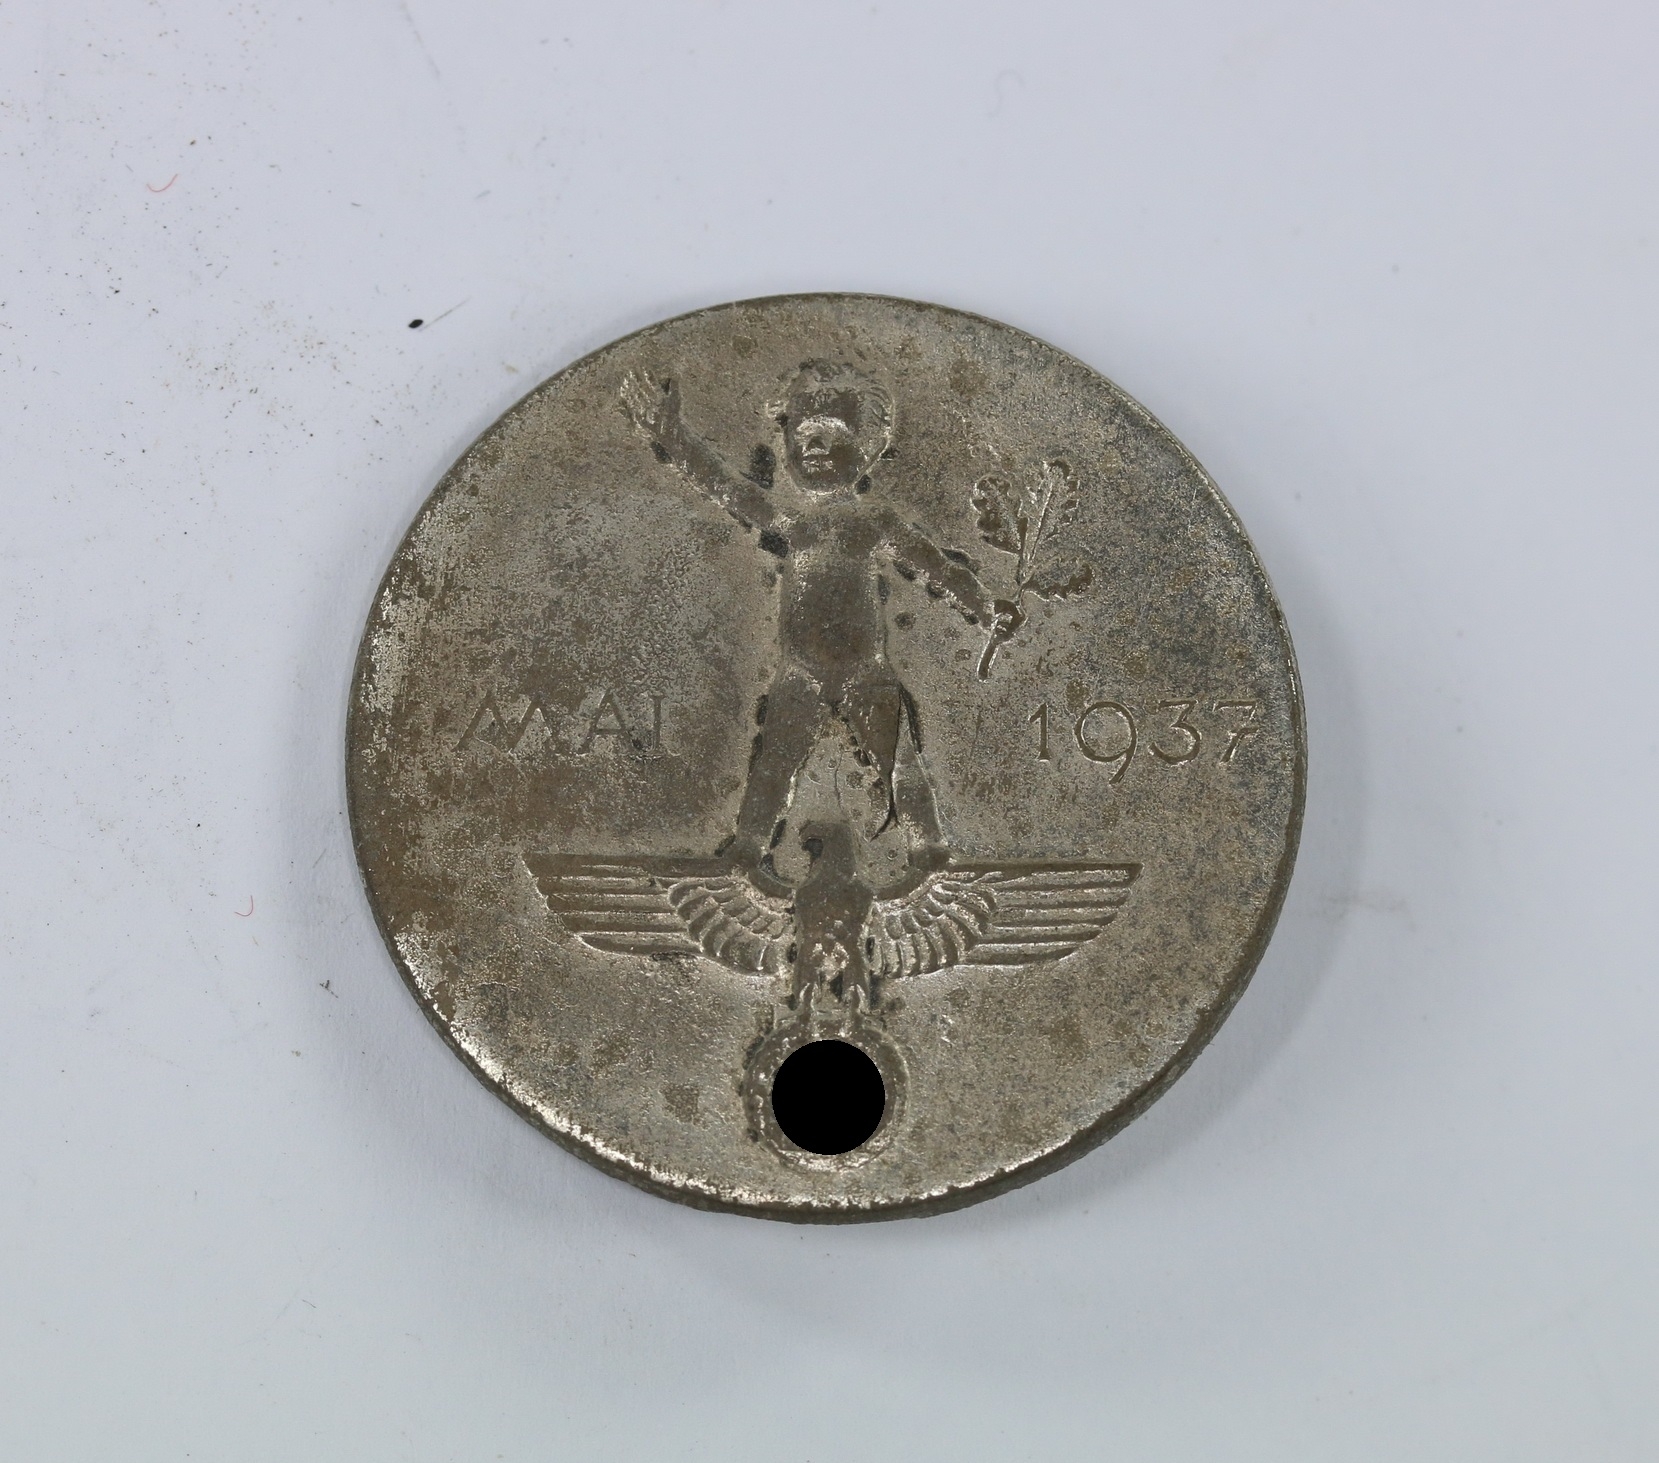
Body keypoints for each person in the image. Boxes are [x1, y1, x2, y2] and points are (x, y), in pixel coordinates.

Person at [620, 360, 1020, 885]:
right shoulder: (793, 523)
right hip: (800, 674)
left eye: (831, 434)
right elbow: (728, 489)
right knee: (773, 764)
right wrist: (674, 438)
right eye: (801, 435)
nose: (812, 446)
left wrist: (986, 606)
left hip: (866, 672)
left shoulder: (875, 522)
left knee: (900, 763)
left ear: (870, 447)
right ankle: (746, 852)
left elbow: (939, 569)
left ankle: (929, 853)